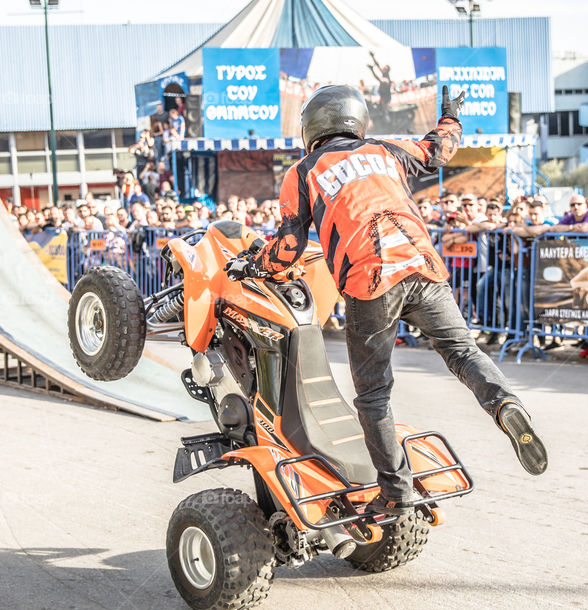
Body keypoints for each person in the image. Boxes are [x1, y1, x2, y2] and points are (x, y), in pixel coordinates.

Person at [227, 84, 548, 515]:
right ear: (358, 120)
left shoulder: (303, 171)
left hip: (370, 280)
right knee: (461, 351)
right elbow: (439, 149)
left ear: (311, 127)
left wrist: (254, 265)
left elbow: (287, 246)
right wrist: (451, 118)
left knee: (374, 395)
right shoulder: (386, 149)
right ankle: (505, 403)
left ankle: (395, 493)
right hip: (423, 266)